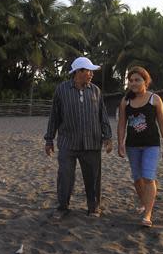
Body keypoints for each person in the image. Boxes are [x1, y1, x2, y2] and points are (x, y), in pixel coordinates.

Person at [44, 56, 113, 219]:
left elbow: (102, 115)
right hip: (68, 142)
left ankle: (93, 207)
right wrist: (49, 139)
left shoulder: (95, 90)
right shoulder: (62, 90)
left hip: (92, 143)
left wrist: (107, 137)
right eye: (88, 71)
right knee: (65, 176)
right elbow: (54, 116)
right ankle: (62, 207)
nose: (91, 74)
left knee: (93, 177)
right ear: (78, 72)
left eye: (91, 71)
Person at [117, 66, 163, 227]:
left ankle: (147, 214)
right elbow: (121, 123)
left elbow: (162, 122)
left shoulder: (154, 99)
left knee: (148, 177)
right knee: (137, 179)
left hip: (151, 145)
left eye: (137, 80)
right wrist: (120, 142)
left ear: (145, 81)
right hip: (132, 145)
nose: (133, 83)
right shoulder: (126, 101)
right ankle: (144, 201)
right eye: (130, 80)